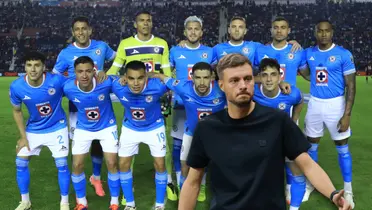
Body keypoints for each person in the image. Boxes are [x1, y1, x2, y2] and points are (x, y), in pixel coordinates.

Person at [178, 53, 352, 210]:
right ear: (221, 85)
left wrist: (332, 194)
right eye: (234, 80)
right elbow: (193, 183)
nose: (243, 85)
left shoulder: (277, 121)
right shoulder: (207, 128)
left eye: (247, 79)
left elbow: (307, 164)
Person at [106, 11, 174, 203]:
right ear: (135, 24)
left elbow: (166, 70)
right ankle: (129, 185)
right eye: (142, 21)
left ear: (152, 23)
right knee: (129, 145)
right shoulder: (126, 44)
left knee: (164, 146)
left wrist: (167, 88)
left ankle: (168, 181)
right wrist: (111, 77)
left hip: (156, 94)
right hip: (134, 92)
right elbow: (115, 67)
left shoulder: (161, 44)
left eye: (148, 20)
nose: (145, 23)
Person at [53, 16, 116, 196]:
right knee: (79, 146)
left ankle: (96, 178)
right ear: (73, 32)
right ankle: (79, 187)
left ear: (90, 30)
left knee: (98, 142)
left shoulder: (101, 47)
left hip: (101, 104)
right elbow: (56, 76)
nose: (81, 32)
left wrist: (108, 71)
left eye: (84, 28)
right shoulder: (65, 53)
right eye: (77, 29)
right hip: (77, 106)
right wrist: (70, 87)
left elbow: (120, 59)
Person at [299, 20, 356, 208]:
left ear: (332, 32)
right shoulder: (309, 53)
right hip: (315, 104)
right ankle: (311, 184)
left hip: (336, 105)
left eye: (327, 31)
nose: (323, 34)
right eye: (320, 31)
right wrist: (294, 44)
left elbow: (351, 86)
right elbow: (307, 73)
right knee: (311, 146)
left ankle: (348, 190)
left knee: (342, 147)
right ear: (316, 33)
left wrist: (347, 114)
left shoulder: (343, 54)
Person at [254, 16, 308, 203]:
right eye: (275, 27)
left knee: (290, 156)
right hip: (264, 105)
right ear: (271, 30)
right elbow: (251, 76)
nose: (279, 31)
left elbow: (308, 75)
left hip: (287, 104)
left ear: (288, 31)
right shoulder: (260, 50)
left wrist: (295, 119)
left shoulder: (297, 50)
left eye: (283, 28)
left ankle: (289, 188)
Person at [151, 62, 225, 197]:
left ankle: (202, 187)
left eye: (206, 77)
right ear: (192, 77)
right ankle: (185, 192)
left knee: (217, 167)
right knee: (185, 165)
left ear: (212, 77)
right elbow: (163, 77)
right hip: (191, 133)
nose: (202, 82)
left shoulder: (221, 90)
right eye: (198, 77)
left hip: (216, 136)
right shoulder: (183, 87)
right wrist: (149, 74)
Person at [10, 51, 70, 210]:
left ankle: (64, 203)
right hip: (34, 129)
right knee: (20, 162)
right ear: (25, 67)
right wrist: (23, 137)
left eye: (37, 65)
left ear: (44, 67)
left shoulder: (56, 81)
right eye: (29, 65)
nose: (33, 69)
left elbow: (76, 88)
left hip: (57, 127)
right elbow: (17, 111)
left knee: (62, 163)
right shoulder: (17, 86)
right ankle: (25, 202)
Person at [168, 16, 216, 201]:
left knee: (203, 147)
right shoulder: (175, 50)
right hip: (181, 106)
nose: (193, 32)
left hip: (202, 105)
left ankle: (201, 184)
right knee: (179, 146)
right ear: (185, 31)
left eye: (197, 29)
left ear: (201, 32)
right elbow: (168, 73)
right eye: (190, 29)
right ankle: (182, 180)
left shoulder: (210, 52)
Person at [63, 56, 120, 210]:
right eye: (80, 71)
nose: (84, 75)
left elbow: (123, 81)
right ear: (74, 72)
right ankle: (82, 202)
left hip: (107, 127)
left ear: (94, 71)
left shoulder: (105, 82)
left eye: (88, 71)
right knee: (77, 164)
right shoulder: (68, 87)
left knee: (112, 163)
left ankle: (114, 202)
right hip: (83, 128)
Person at [111, 61, 169, 210]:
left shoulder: (157, 86)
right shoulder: (118, 86)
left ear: (146, 78)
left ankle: (160, 205)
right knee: (123, 164)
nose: (136, 83)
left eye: (140, 78)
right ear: (125, 77)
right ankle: (130, 204)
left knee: (160, 164)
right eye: (131, 78)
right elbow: (103, 79)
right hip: (130, 128)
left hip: (154, 127)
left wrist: (156, 74)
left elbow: (175, 83)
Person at [213, 16, 302, 64]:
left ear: (245, 31)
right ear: (229, 30)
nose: (237, 30)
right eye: (233, 27)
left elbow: (274, 46)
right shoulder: (217, 48)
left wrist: (293, 42)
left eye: (240, 27)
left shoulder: (255, 46)